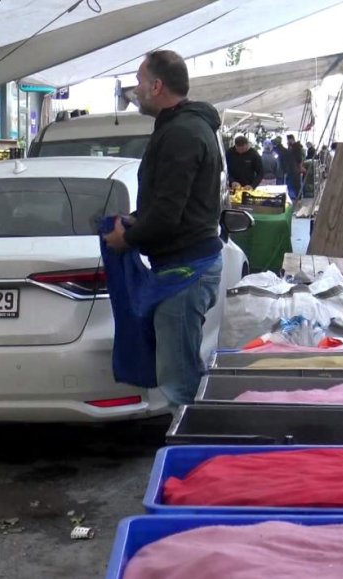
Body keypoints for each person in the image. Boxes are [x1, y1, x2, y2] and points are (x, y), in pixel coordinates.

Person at [102, 50, 223, 409]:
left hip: (187, 270)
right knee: (180, 374)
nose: (135, 90)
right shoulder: (179, 127)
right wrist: (138, 218)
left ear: (157, 85)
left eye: (139, 82)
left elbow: (170, 213)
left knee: (179, 383)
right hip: (184, 265)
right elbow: (171, 202)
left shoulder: (183, 132)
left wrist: (128, 237)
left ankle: (189, 457)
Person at [283, 134, 305, 201]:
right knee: (294, 184)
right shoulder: (292, 147)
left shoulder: (296, 147)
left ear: (291, 139)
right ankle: (297, 197)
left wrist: (299, 166)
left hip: (295, 168)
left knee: (296, 184)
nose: (288, 141)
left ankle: (299, 198)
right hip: (292, 168)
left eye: (288, 140)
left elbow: (299, 158)